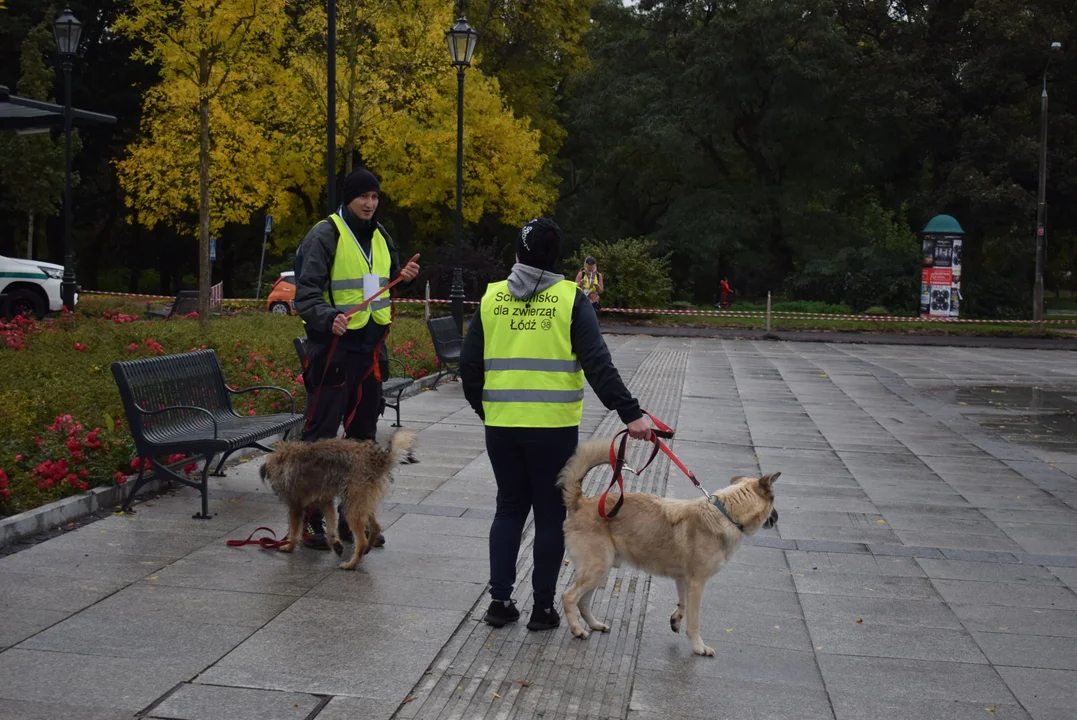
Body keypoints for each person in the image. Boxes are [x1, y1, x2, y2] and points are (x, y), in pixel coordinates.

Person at [459, 218, 651, 631]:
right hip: (553, 429)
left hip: (503, 427)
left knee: (508, 508)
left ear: (518, 255)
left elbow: (470, 367)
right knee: (549, 514)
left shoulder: (492, 298)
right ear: (558, 259)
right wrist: (630, 413)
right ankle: (543, 609)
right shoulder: (571, 299)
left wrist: (487, 411)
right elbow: (599, 364)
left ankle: (500, 602)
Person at [293, 167, 420, 550]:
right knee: (320, 441)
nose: (370, 203)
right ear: (348, 199)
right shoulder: (324, 235)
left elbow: (387, 278)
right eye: (363, 197)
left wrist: (406, 276)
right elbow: (306, 294)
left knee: (363, 440)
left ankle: (353, 519)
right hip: (333, 351)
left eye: (375, 197)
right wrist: (327, 317)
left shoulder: (381, 235)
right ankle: (314, 521)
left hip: (370, 351)